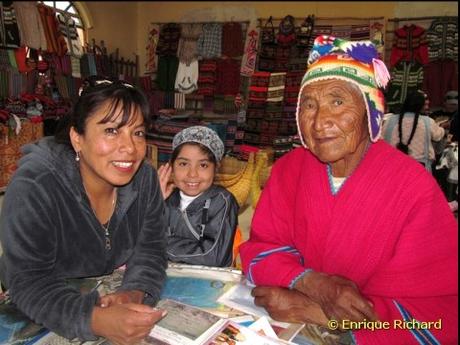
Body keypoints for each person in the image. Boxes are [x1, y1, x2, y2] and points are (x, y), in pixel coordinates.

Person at [239, 35, 458, 344]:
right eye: (310, 105)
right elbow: (262, 247)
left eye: (338, 101)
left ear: (371, 111)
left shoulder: (414, 187)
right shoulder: (289, 169)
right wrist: (313, 283)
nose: (319, 123)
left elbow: (439, 312)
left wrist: (316, 310)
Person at [0, 77, 168, 344]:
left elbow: (151, 248)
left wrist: (134, 292)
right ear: (77, 138)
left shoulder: (144, 179)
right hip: (41, 303)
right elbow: (28, 279)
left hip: (110, 290)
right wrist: (92, 319)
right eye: (112, 130)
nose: (130, 148)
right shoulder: (36, 185)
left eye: (137, 132)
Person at [157, 126, 239, 267]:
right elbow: (133, 239)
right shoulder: (166, 198)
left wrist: (157, 244)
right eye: (183, 164)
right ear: (171, 166)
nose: (192, 174)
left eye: (203, 165)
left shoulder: (222, 201)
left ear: (216, 168)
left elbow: (213, 256)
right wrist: (154, 204)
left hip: (207, 280)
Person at [381, 90, 445, 172]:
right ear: (421, 106)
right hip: (420, 167)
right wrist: (442, 128)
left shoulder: (389, 120)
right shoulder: (427, 122)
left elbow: (381, 138)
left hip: (391, 165)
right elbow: (438, 136)